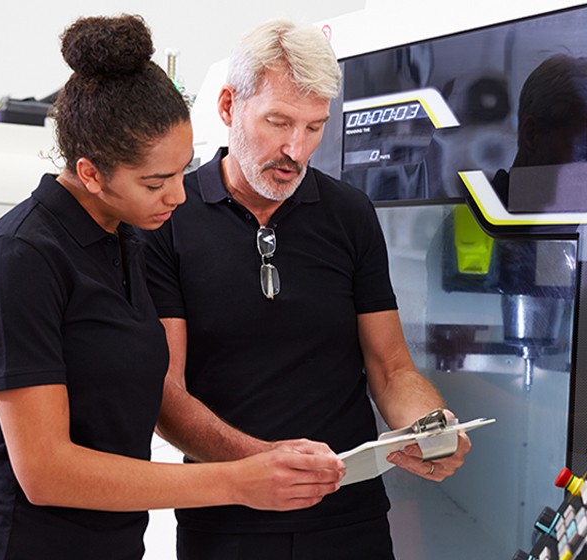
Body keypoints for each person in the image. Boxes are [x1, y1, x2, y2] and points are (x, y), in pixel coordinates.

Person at [0, 15, 344, 560]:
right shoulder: (19, 259)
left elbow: (153, 395)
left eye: (183, 172)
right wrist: (236, 482)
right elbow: (46, 472)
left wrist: (260, 456)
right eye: (155, 182)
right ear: (90, 173)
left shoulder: (124, 241)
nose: (178, 196)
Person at [139, 19, 471, 559]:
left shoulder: (349, 214)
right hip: (228, 522)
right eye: (278, 122)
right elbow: (167, 396)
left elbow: (391, 368)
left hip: (350, 518)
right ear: (228, 107)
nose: (296, 149)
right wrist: (261, 464)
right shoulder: (170, 219)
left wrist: (426, 428)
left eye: (315, 127)